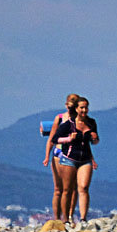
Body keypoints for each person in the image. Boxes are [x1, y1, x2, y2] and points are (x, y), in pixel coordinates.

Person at [53, 96, 99, 223]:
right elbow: (55, 139)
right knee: (67, 190)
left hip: (85, 159)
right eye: (82, 108)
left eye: (86, 107)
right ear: (77, 109)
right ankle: (65, 219)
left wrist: (94, 139)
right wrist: (68, 139)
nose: (84, 110)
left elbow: (94, 141)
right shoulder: (69, 124)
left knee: (83, 187)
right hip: (69, 158)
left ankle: (83, 218)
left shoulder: (91, 123)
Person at [42, 93, 79, 221]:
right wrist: (47, 155)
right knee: (59, 189)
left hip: (74, 155)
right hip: (59, 153)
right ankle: (58, 219)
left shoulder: (80, 119)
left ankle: (68, 216)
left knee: (72, 189)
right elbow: (52, 139)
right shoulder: (60, 118)